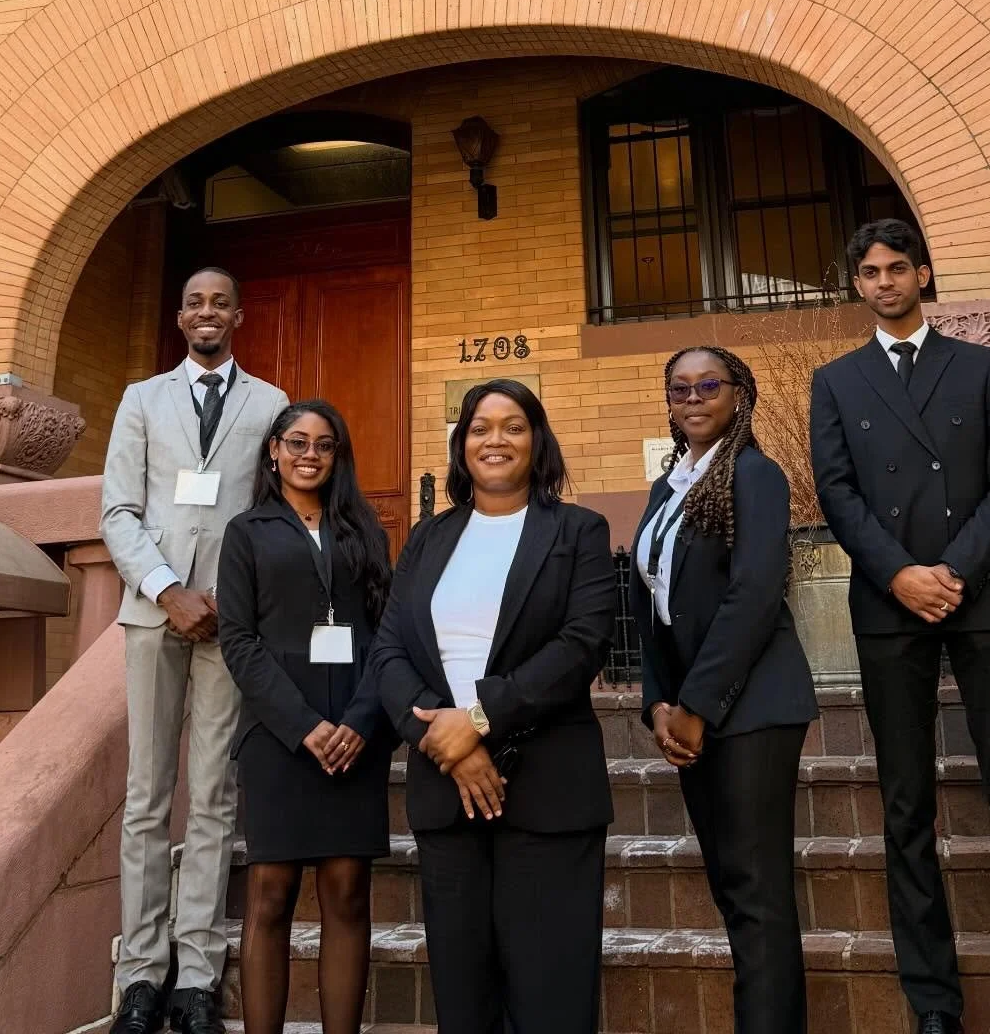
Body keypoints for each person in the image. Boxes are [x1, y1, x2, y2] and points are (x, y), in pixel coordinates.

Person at [809, 218, 990, 1034]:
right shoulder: (837, 380)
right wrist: (898, 574)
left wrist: (953, 572)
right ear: (856, 284)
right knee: (905, 805)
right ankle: (932, 1004)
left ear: (924, 274)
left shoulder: (983, 367)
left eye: (898, 268)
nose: (885, 282)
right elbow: (837, 490)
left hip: (982, 597)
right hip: (890, 606)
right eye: (870, 272)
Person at [368, 378, 616, 1034]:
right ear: (461, 444)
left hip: (549, 792)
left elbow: (582, 645)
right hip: (446, 793)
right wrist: (441, 740)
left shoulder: (578, 532)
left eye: (513, 425)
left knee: (551, 997)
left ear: (538, 441)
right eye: (480, 427)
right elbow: (389, 649)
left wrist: (476, 721)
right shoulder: (428, 538)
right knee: (464, 998)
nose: (495, 439)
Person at [101, 266, 287, 1034]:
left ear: (238, 316)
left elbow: (270, 510)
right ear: (179, 318)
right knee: (148, 795)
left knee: (212, 796)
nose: (207, 313)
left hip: (229, 624)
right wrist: (166, 590)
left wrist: (227, 603)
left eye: (220, 302)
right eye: (194, 303)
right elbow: (118, 508)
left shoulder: (270, 403)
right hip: (155, 617)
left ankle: (196, 977)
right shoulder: (142, 399)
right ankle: (140, 975)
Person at [631, 346, 817, 1034]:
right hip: (688, 714)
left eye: (710, 384)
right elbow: (650, 607)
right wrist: (657, 703)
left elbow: (754, 595)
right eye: (680, 388)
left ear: (739, 393)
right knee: (732, 890)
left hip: (754, 707)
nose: (694, 397)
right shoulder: (666, 490)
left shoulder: (755, 475)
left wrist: (697, 706)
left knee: (757, 893)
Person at [216, 400, 394, 1034]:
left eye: (323, 445)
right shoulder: (247, 533)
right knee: (271, 895)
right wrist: (304, 726)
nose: (309, 454)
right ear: (273, 450)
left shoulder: (365, 531)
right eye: (296, 442)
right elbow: (238, 640)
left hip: (355, 734)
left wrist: (361, 721)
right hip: (280, 738)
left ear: (337, 456)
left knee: (346, 891)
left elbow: (389, 635)